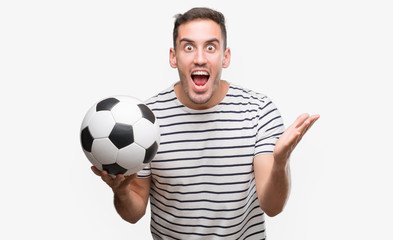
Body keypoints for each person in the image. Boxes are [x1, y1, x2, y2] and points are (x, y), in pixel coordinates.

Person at [91, 7, 319, 239]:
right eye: (188, 47)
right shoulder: (145, 122)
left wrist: (280, 163)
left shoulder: (259, 111)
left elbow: (272, 207)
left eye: (210, 47)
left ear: (225, 56)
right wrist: (121, 192)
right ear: (173, 56)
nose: (200, 58)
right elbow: (133, 213)